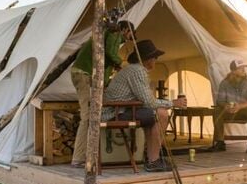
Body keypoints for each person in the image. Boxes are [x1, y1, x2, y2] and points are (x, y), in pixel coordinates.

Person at [104, 39, 187, 172]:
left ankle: (152, 158)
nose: (156, 60)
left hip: (119, 109)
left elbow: (145, 100)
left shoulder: (132, 69)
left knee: (153, 115)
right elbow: (149, 102)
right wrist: (172, 103)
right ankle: (153, 161)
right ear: (148, 59)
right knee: (161, 113)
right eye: (155, 57)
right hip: (116, 112)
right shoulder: (137, 71)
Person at [71, 20, 135, 168]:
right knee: (87, 117)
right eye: (130, 35)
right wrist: (124, 67)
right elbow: (111, 55)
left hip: (85, 75)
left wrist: (106, 84)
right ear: (125, 30)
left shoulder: (106, 37)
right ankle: (78, 158)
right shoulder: (114, 33)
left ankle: (86, 156)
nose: (129, 39)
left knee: (91, 116)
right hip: (82, 74)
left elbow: (104, 63)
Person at [212, 59, 247, 153]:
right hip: (228, 111)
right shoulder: (224, 83)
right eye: (240, 68)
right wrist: (226, 106)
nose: (243, 70)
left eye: (244, 68)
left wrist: (239, 106)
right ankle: (220, 142)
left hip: (243, 111)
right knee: (216, 110)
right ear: (233, 71)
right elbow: (220, 101)